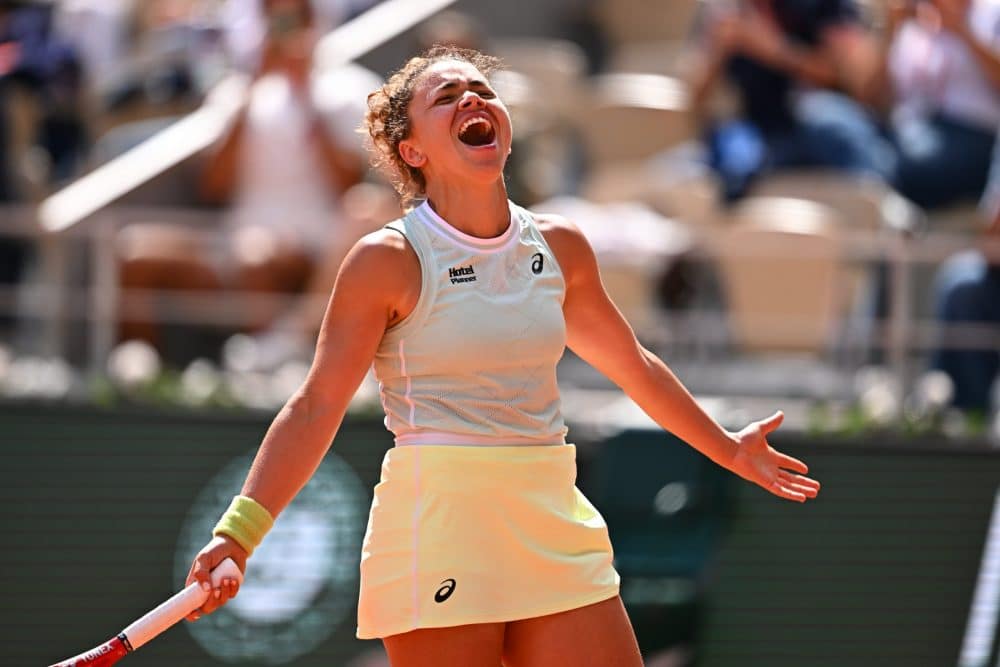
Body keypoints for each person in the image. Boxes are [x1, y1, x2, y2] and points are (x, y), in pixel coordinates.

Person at [183, 46, 821, 666]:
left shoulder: (562, 247)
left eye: (482, 91)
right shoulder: (386, 260)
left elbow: (635, 366)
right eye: (447, 97)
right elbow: (316, 404)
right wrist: (237, 533)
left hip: (551, 519)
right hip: (439, 531)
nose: (472, 100)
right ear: (412, 151)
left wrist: (726, 448)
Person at [686, 0, 893, 201]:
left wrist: (772, 48)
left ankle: (883, 199)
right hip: (764, 133)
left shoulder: (824, 6)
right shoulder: (722, 9)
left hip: (823, 124)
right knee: (731, 154)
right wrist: (717, 51)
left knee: (826, 118)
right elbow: (693, 96)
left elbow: (849, 77)